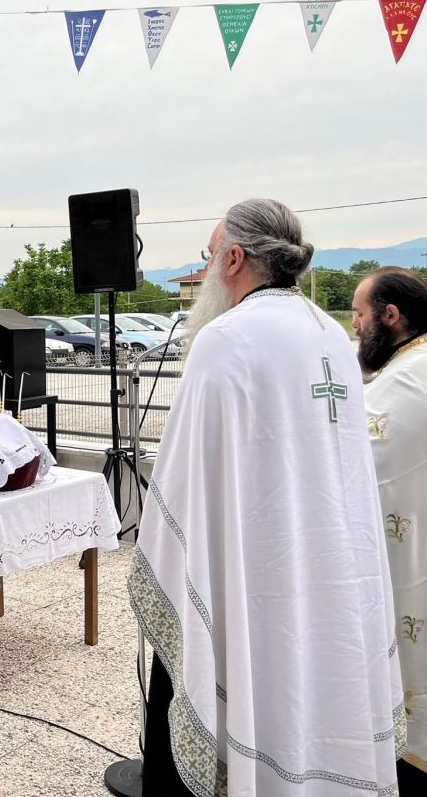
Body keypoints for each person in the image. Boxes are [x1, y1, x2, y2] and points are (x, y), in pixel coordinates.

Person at [129, 199, 405, 796]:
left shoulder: (226, 339)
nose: (207, 270)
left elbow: (185, 477)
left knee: (254, 672)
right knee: (316, 678)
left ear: (233, 259)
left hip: (253, 569)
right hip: (333, 564)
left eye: (209, 256)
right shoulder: (331, 333)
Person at [354, 266, 427, 791]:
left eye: (360, 314)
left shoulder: (407, 378)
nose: (356, 327)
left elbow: (357, 468)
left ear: (391, 315)